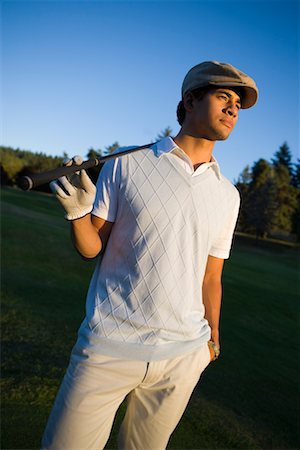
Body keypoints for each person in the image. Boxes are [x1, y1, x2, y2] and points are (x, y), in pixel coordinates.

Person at [42, 60, 258, 450]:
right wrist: (77, 215)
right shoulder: (126, 162)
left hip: (183, 356)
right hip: (108, 346)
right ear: (190, 100)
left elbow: (211, 276)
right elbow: (92, 248)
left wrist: (212, 340)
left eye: (238, 106)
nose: (232, 110)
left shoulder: (228, 195)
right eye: (223, 97)